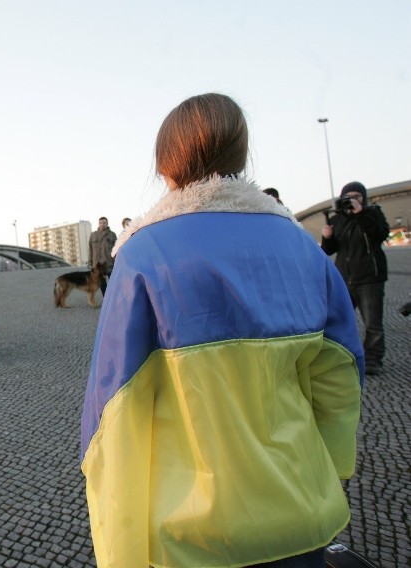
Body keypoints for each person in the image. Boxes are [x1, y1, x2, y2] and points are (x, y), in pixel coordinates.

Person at [81, 93, 363, 568]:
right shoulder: (302, 245)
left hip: (191, 536)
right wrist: (329, 472)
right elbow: (340, 379)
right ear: (239, 155)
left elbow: (113, 417)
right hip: (300, 511)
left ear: (166, 166)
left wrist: (120, 551)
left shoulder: (142, 256)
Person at [321, 181, 390, 375]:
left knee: (372, 323)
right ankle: (340, 356)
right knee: (338, 320)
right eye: (348, 196)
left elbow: (380, 234)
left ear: (363, 198)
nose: (352, 200)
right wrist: (327, 237)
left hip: (369, 278)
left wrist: (361, 213)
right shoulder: (337, 219)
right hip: (345, 278)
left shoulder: (373, 214)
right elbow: (329, 250)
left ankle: (373, 359)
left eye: (357, 196)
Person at [88, 217, 116, 296]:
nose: (102, 224)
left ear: (107, 224)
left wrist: (116, 262)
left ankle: (113, 299)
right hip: (97, 265)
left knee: (113, 283)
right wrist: (90, 261)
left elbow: (116, 249)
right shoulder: (93, 235)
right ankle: (106, 299)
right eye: (101, 223)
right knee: (102, 284)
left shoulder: (112, 235)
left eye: (104, 223)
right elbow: (90, 249)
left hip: (109, 264)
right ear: (98, 224)